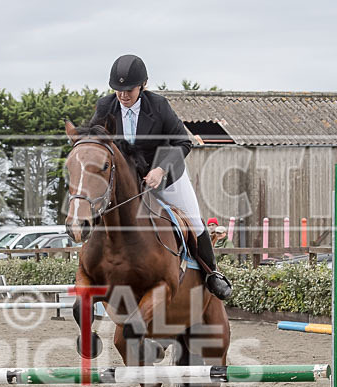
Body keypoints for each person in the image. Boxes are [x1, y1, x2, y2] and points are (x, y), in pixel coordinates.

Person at [88, 54, 232, 300]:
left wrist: (160, 169)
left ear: (142, 85)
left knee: (195, 223)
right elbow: (94, 142)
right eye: (118, 90)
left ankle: (211, 274)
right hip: (128, 182)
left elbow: (182, 142)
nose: (123, 96)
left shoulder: (159, 106)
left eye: (129, 90)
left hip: (166, 178)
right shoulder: (105, 107)